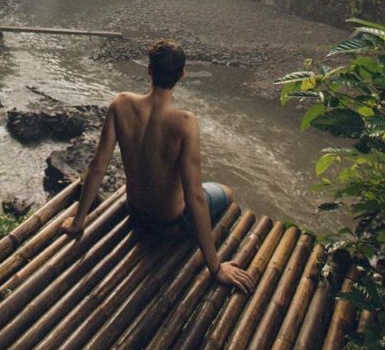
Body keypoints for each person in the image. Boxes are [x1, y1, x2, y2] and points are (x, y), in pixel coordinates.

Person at [61, 39, 255, 294]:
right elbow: (194, 196)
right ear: (182, 75)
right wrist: (216, 267)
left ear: (149, 70)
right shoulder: (185, 122)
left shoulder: (120, 104)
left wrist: (78, 222)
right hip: (170, 224)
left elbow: (98, 166)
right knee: (226, 191)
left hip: (135, 211)